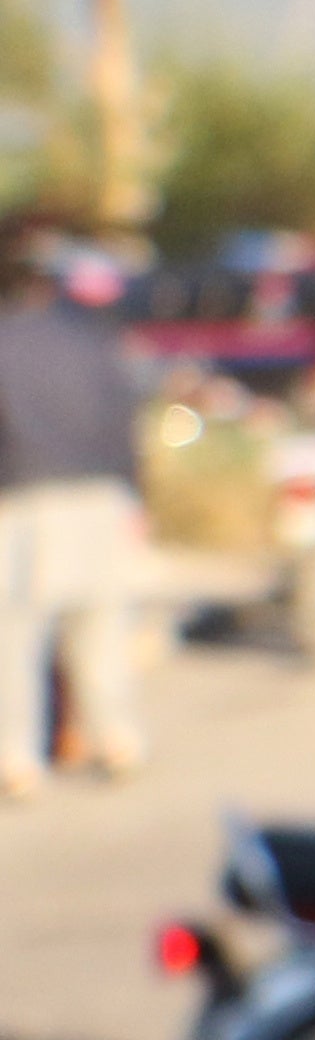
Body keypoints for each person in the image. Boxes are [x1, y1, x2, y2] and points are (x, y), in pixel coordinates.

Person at [0, 221, 150, 793]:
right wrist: (137, 497)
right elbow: (127, 423)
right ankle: (118, 739)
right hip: (101, 496)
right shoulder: (95, 340)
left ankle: (17, 758)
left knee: (16, 636)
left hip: (24, 499)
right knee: (102, 628)